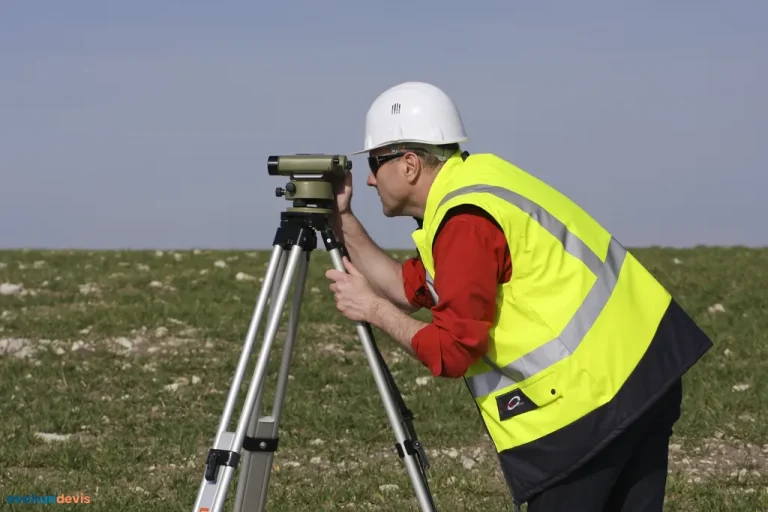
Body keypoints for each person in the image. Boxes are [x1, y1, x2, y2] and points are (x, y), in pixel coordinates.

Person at [324, 81, 713, 511]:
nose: (370, 177)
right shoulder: (479, 183)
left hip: (589, 406)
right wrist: (342, 217)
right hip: (648, 371)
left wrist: (372, 309)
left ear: (410, 164)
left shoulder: (463, 222)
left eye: (377, 162)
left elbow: (452, 352)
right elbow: (405, 286)